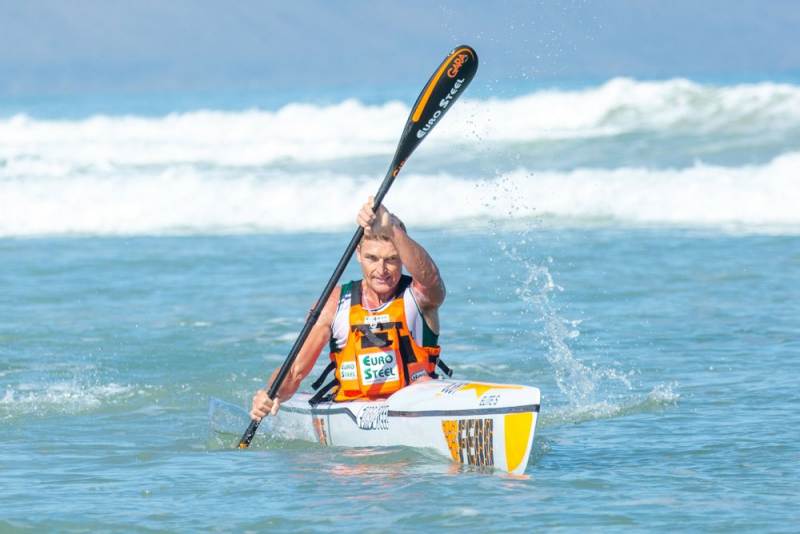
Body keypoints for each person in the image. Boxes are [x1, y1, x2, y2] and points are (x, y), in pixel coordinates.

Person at [250, 196, 446, 421]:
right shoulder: (334, 303)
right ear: (358, 255)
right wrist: (271, 392)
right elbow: (294, 372)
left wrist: (391, 227)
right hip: (352, 413)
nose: (381, 269)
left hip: (417, 406)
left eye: (392, 259)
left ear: (403, 257)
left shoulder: (418, 296)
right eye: (372, 258)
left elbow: (431, 279)